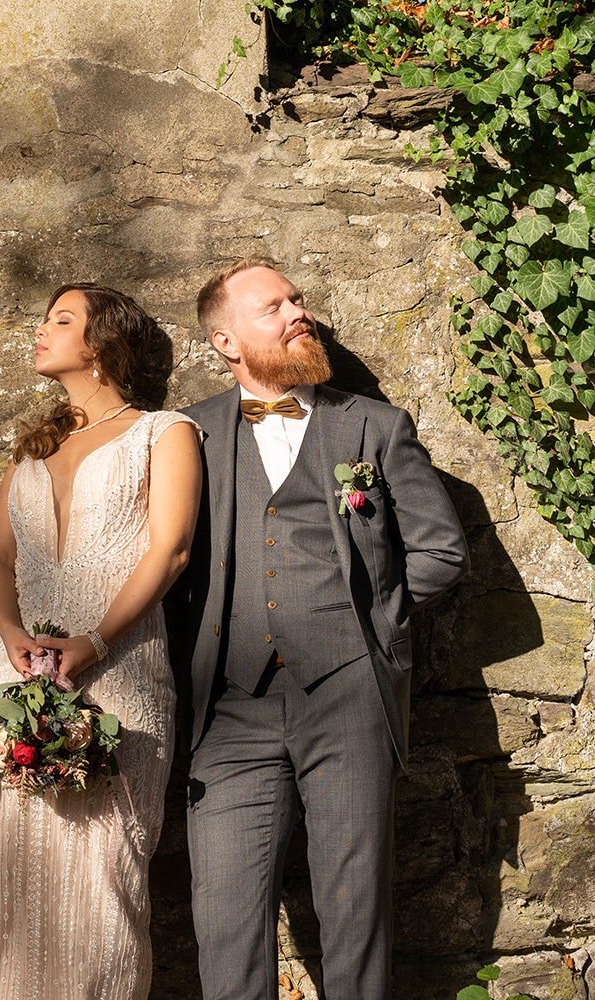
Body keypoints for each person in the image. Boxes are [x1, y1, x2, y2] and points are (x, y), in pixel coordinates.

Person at [169, 259, 469, 1000]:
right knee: (225, 919)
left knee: (355, 909)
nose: (298, 312)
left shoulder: (373, 424)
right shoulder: (187, 434)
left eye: (298, 299)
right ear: (226, 341)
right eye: (273, 306)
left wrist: (375, 623)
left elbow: (440, 550)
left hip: (348, 700)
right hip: (227, 709)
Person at [0, 283, 202, 1000]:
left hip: (121, 669)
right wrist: (8, 636)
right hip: (15, 674)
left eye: (60, 320)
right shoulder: (34, 449)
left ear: (102, 344)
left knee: (102, 880)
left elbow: (169, 550)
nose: (40, 331)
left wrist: (96, 641)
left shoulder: (164, 433)